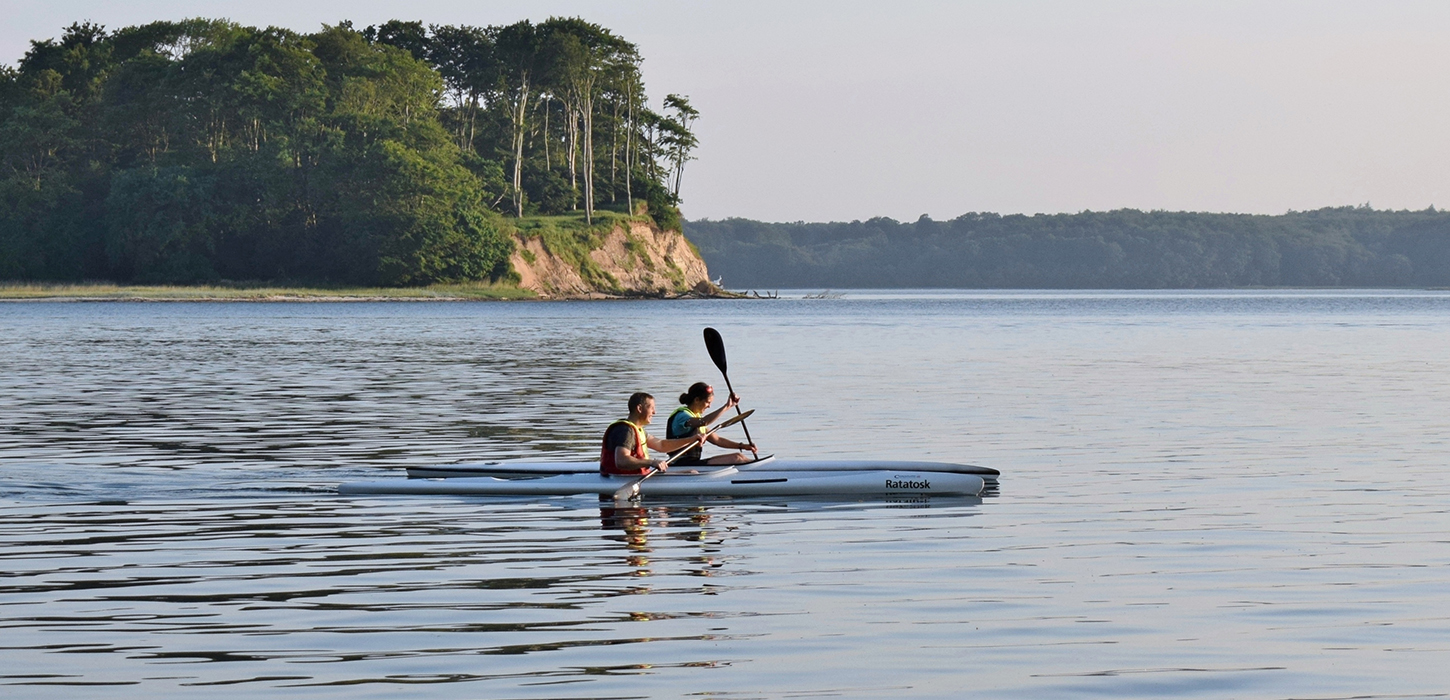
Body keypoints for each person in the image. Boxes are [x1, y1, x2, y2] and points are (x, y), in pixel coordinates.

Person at [600, 392, 708, 476]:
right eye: (651, 408)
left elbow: (661, 445)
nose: (654, 412)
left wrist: (691, 440)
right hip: (620, 478)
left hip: (636, 475)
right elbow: (621, 461)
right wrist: (651, 462)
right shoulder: (626, 431)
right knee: (691, 474)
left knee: (691, 473)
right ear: (639, 408)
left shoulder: (637, 429)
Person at [665, 382, 759, 466]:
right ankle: (758, 468)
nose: (709, 406)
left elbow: (718, 440)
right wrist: (726, 407)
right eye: (708, 402)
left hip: (692, 463)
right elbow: (704, 421)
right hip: (679, 463)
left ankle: (758, 466)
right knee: (737, 458)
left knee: (739, 456)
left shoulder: (696, 418)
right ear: (697, 400)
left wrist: (742, 446)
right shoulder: (682, 416)